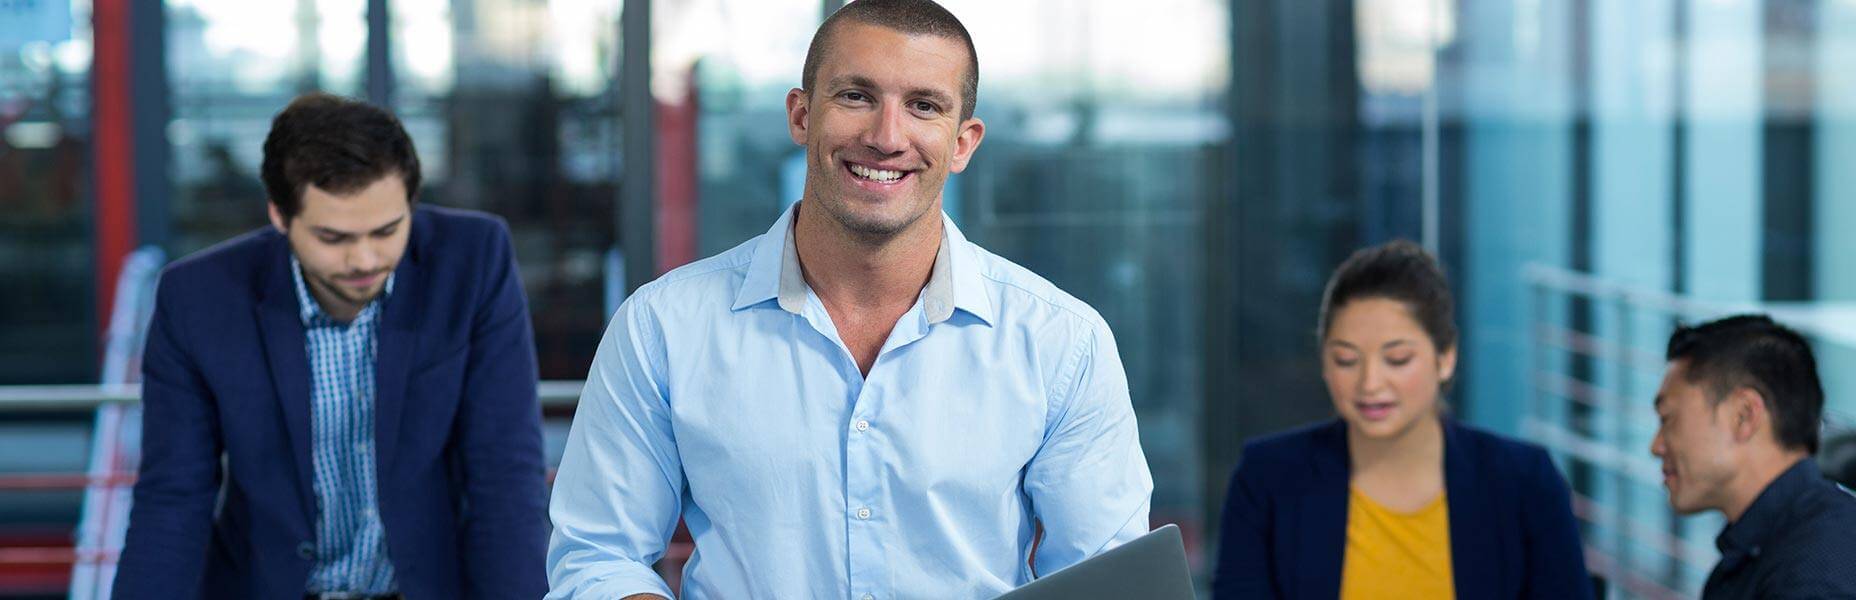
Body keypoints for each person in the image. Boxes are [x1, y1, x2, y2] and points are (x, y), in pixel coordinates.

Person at [543, 1, 1153, 598]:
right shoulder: (663, 327)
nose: (887, 137)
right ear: (802, 115)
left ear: (963, 142)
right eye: (856, 96)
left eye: (923, 106)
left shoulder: (1061, 342)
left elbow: (1111, 579)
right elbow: (599, 556)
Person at [114, 93, 549, 599]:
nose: (364, 258)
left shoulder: (473, 262)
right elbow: (174, 498)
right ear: (280, 215)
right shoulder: (198, 299)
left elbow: (504, 478)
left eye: (387, 230)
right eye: (333, 237)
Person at [1212, 240, 1592, 599]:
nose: (1370, 383)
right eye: (1346, 360)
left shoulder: (1525, 483)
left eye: (1397, 359)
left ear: (1445, 358)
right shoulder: (1268, 478)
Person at [1651, 314, 1856, 599]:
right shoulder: (1774, 551)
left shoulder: (1820, 569)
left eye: (1668, 419)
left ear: (1744, 416)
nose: (1656, 446)